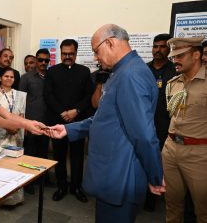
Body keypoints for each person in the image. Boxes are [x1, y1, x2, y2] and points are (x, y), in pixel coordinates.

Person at [46, 24, 165, 222]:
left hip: (120, 175)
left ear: (109, 43)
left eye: (96, 51)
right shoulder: (121, 71)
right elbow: (105, 118)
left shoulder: (131, 75)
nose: (95, 57)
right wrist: (68, 129)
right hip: (111, 174)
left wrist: (155, 175)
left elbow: (143, 135)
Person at [163, 36, 207, 223]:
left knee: (203, 210)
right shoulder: (173, 83)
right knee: (172, 205)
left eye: (180, 55)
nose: (175, 60)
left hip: (199, 154)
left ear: (196, 55)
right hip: (171, 149)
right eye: (173, 56)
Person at [44, 39, 92, 202]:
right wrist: (62, 112)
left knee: (78, 156)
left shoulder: (85, 72)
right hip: (58, 121)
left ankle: (76, 187)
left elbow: (88, 96)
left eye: (70, 54)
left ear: (76, 53)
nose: (67, 57)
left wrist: (76, 111)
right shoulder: (52, 71)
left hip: (78, 122)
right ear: (60, 53)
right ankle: (61, 186)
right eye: (64, 54)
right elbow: (48, 95)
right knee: (59, 156)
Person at [143, 33, 176, 211]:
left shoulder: (175, 71)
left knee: (159, 163)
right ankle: (142, 195)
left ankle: (153, 197)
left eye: (162, 46)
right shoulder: (144, 69)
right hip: (144, 123)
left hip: (165, 125)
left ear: (169, 49)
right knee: (142, 160)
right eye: (155, 46)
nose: (158, 50)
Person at [19, 48, 51, 194]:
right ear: (36, 60)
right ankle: (28, 183)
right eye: (40, 60)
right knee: (29, 153)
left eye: (46, 60)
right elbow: (20, 102)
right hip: (30, 122)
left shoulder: (51, 76)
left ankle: (42, 179)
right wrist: (23, 123)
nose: (43, 62)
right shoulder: (26, 78)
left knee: (43, 153)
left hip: (46, 122)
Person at [0, 67, 27, 146]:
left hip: (15, 134)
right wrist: (8, 126)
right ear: (0, 78)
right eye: (6, 76)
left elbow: (22, 114)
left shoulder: (19, 94)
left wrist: (16, 127)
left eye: (11, 77)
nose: (9, 78)